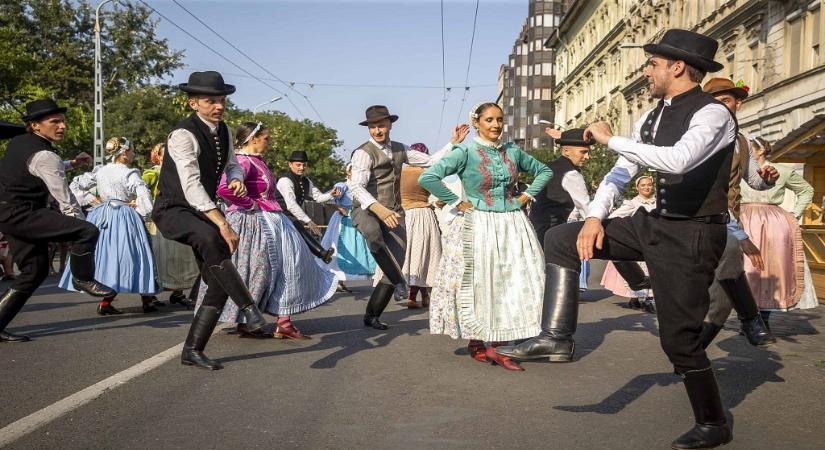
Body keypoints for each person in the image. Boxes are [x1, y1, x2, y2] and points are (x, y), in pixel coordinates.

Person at [497, 30, 738, 448]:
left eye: (652, 65)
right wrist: (594, 217)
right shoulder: (651, 116)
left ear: (676, 67)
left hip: (694, 234)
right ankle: (556, 338)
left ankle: (714, 423)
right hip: (653, 222)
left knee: (678, 341)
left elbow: (679, 161)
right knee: (561, 237)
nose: (646, 72)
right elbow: (619, 173)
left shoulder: (713, 114)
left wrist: (609, 139)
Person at [420, 102, 552, 371]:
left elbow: (545, 171)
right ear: (477, 122)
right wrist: (456, 201)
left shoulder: (512, 150)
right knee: (482, 281)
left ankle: (503, 342)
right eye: (489, 120)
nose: (495, 125)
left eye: (499, 120)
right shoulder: (465, 151)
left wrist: (525, 196)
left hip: (512, 221)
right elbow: (429, 177)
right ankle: (482, 342)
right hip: (478, 223)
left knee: (513, 279)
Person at [151, 71, 268, 370]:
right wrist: (223, 222)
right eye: (210, 101)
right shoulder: (182, 135)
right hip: (173, 208)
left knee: (216, 282)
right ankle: (248, 307)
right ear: (193, 103)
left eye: (221, 100)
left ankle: (192, 350)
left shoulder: (225, 130)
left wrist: (236, 178)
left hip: (200, 209)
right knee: (212, 238)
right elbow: (190, 186)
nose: (218, 106)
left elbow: (231, 164)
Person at [195, 121, 337, 339]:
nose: (268, 143)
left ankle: (270, 321)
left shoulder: (255, 161)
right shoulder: (243, 161)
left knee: (275, 267)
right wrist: (248, 204)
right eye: (266, 138)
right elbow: (224, 188)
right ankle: (278, 321)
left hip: (269, 220)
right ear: (254, 139)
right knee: (270, 267)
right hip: (253, 222)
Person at [0, 99, 115, 343]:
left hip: (9, 213)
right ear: (35, 125)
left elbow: (37, 168)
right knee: (87, 231)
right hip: (23, 213)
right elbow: (65, 199)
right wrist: (83, 227)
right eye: (55, 122)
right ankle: (82, 278)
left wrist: (71, 164)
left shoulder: (21, 144)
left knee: (34, 271)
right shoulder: (44, 154)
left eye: (63, 121)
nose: (62, 126)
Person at [348, 105, 454, 330]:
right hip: (366, 210)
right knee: (373, 234)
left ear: (390, 125)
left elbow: (431, 161)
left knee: (395, 260)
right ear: (368, 128)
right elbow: (355, 186)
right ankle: (400, 282)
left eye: (381, 125)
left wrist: (452, 143)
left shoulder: (400, 149)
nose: (378, 130)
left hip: (395, 213)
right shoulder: (362, 153)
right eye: (373, 126)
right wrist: (379, 209)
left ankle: (372, 315)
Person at [696, 77, 778, 348]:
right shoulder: (698, 136)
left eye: (727, 100)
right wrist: (740, 236)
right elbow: (707, 192)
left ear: (736, 105)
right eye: (716, 100)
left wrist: (768, 177)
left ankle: (694, 352)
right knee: (700, 288)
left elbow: (754, 180)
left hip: (726, 220)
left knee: (721, 295)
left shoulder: (742, 142)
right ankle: (751, 319)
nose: (722, 105)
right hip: (695, 221)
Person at [59, 137, 159, 314]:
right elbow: (144, 197)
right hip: (124, 217)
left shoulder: (100, 171)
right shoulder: (130, 173)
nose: (134, 153)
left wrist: (91, 199)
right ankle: (146, 299)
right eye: (132, 150)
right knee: (136, 255)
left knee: (106, 257)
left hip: (101, 215)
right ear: (124, 153)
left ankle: (108, 302)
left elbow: (75, 185)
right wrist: (140, 208)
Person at [738, 136, 818, 328]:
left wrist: (794, 214)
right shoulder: (740, 171)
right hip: (744, 220)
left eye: (751, 149)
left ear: (760, 150)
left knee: (770, 268)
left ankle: (763, 318)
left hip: (773, 222)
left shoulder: (782, 171)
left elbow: (807, 190)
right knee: (745, 269)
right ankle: (747, 317)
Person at [398, 134, 468, 308]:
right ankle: (422, 296)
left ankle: (410, 294)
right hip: (423, 214)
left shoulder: (399, 173)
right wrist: (439, 202)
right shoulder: (426, 173)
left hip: (403, 215)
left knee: (408, 255)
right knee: (426, 255)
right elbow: (443, 193)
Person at [142, 143, 199, 308]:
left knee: (180, 256)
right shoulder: (151, 174)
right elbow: (138, 193)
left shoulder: (181, 173)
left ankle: (178, 293)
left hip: (178, 217)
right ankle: (151, 293)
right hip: (157, 221)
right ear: (158, 156)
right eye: (165, 154)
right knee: (160, 257)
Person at [599, 175, 657, 311]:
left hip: (655, 241)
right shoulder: (632, 203)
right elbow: (614, 216)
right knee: (640, 271)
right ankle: (637, 298)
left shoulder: (658, 203)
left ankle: (648, 299)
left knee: (653, 270)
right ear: (637, 188)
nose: (647, 187)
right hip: (639, 241)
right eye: (643, 185)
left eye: (649, 184)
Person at [274, 151, 340, 263]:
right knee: (298, 227)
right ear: (290, 164)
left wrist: (330, 194)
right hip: (279, 215)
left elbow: (318, 197)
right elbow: (291, 205)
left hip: (291, 217)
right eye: (298, 165)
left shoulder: (306, 181)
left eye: (304, 165)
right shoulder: (285, 181)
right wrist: (309, 221)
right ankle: (322, 253)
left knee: (298, 228)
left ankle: (320, 255)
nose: (301, 168)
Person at [319, 165, 376, 291]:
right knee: (339, 248)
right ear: (348, 172)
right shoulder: (344, 184)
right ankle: (335, 279)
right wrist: (338, 198)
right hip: (343, 220)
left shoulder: (361, 187)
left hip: (357, 218)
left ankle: (344, 278)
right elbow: (338, 191)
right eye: (353, 171)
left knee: (359, 248)